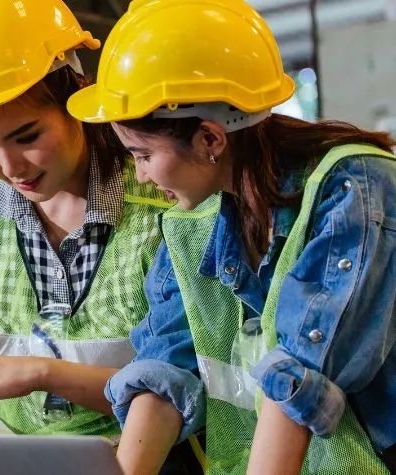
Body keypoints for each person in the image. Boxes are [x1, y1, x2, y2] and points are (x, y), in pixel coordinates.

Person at [67, 0, 396, 473]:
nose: (139, 177)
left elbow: (301, 378)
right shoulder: (191, 225)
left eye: (142, 155)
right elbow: (166, 361)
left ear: (210, 139)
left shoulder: (354, 191)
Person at [0, 0, 180, 445]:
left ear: (77, 95)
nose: (9, 165)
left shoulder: (162, 205)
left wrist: (41, 374)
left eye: (28, 137)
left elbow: (184, 387)